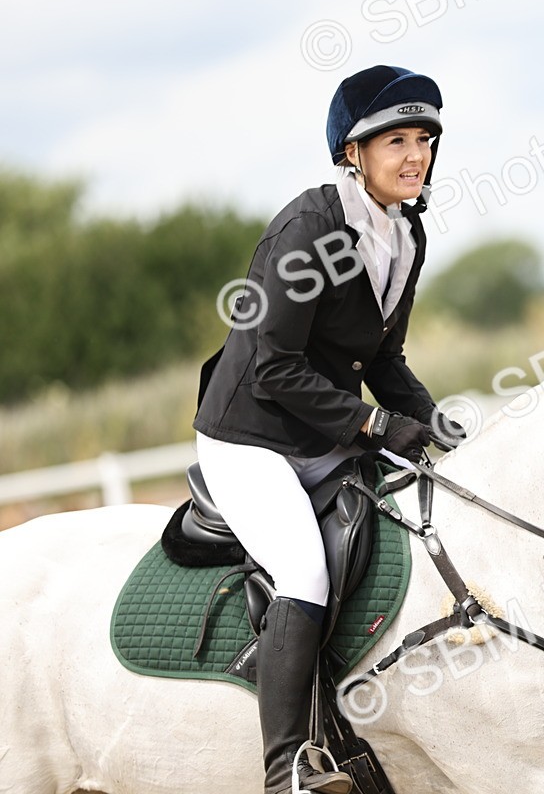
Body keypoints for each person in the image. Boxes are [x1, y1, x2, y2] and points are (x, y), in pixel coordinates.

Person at [192, 65, 465, 794]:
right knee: (304, 570)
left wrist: (438, 424)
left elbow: (385, 357)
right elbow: (273, 366)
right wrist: (376, 423)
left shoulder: (405, 232)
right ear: (353, 152)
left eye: (424, 140)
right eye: (395, 141)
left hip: (323, 435)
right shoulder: (311, 229)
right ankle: (287, 771)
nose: (415, 156)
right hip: (250, 437)